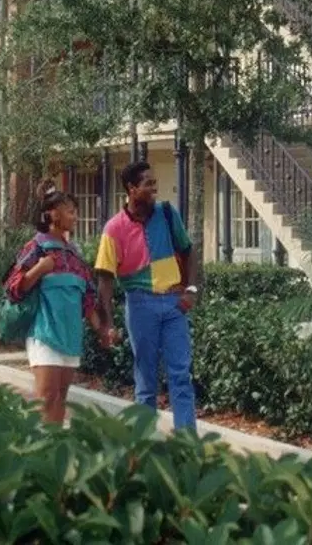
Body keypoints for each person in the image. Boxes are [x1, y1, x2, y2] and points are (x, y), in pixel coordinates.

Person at [95, 161, 198, 434]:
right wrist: (107, 323)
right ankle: (144, 443)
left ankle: (187, 443)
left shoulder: (167, 214)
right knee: (146, 381)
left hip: (174, 304)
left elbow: (188, 251)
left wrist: (191, 290)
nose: (154, 188)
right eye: (148, 184)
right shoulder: (113, 229)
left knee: (181, 376)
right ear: (132, 189)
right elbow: (105, 277)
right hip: (140, 305)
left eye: (154, 183)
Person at [14, 181, 116, 425]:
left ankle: (56, 443)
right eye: (70, 212)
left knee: (60, 397)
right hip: (44, 334)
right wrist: (40, 269)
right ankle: (41, 445)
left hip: (70, 336)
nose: (75, 217)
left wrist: (101, 330)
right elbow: (14, 288)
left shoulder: (74, 254)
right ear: (53, 215)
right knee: (47, 398)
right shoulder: (35, 248)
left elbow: (87, 301)